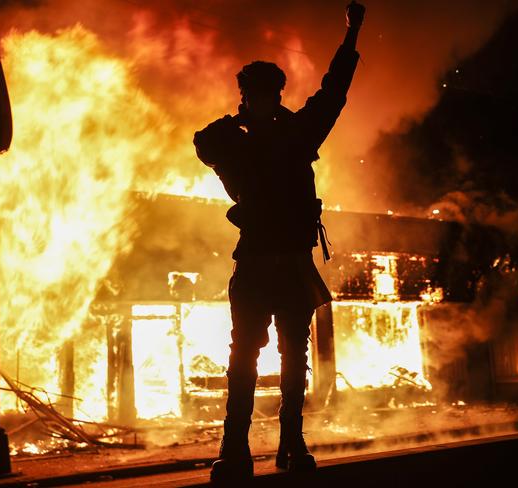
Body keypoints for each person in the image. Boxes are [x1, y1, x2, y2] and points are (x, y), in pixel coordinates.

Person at [193, 1, 365, 482]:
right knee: (242, 357)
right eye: (254, 95)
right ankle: (235, 448)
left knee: (294, 359)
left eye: (268, 94)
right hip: (255, 262)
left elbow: (334, 92)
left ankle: (292, 442)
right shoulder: (233, 139)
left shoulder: (298, 133)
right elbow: (202, 141)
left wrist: (351, 37)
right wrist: (243, 123)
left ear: (277, 96)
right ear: (245, 97)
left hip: (291, 261)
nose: (262, 101)